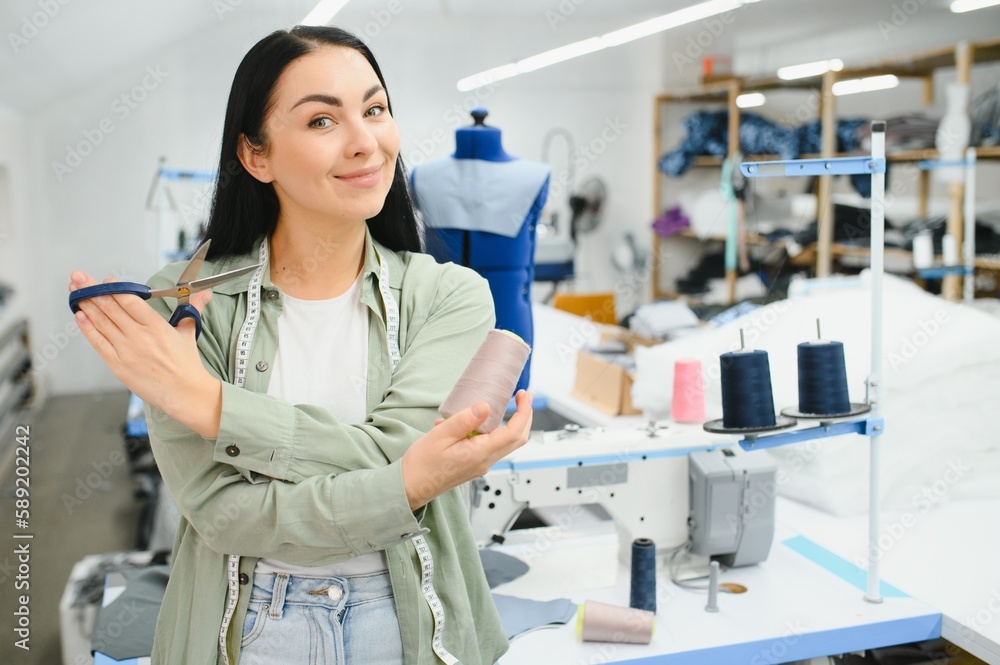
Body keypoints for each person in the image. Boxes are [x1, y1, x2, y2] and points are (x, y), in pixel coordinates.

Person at [68, 25, 532, 665]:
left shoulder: (450, 296)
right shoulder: (185, 305)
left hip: (410, 628)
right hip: (249, 628)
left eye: (375, 110)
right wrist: (402, 486)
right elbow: (222, 514)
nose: (365, 141)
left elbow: (401, 455)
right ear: (255, 156)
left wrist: (213, 407)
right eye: (322, 121)